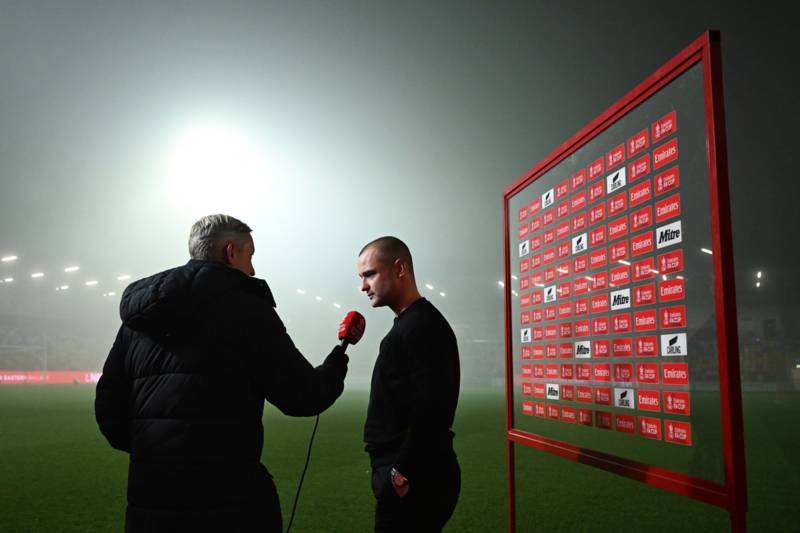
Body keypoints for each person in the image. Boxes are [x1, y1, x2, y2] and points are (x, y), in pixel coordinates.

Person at [95, 214, 349, 533]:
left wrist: (160, 455)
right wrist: (338, 361)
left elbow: (109, 411)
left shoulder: (139, 317)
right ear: (230, 252)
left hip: (151, 504)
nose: (253, 269)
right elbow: (303, 396)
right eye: (249, 256)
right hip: (228, 504)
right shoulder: (247, 309)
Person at [356, 236, 461, 532]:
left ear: (400, 268)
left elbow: (433, 410)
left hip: (414, 478)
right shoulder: (410, 324)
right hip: (407, 472)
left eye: (370, 274)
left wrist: (401, 471)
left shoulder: (423, 327)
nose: (363, 286)